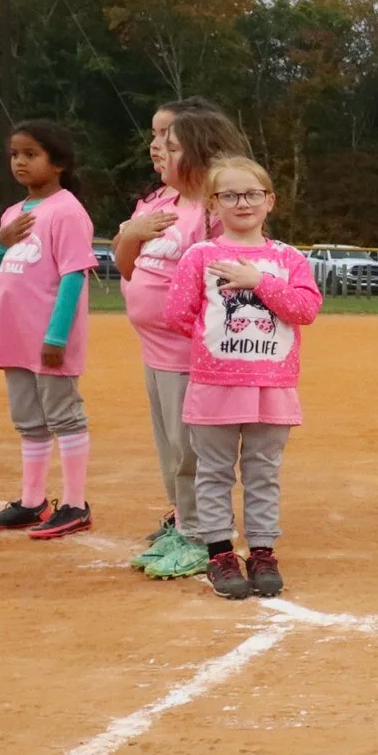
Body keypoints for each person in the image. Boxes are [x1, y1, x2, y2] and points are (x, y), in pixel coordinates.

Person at [163, 157, 323, 600]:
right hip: (214, 383)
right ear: (213, 205)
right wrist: (213, 344)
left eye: (252, 193)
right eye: (229, 195)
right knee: (213, 472)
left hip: (271, 385)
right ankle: (219, 553)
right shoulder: (201, 255)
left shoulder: (287, 258)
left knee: (262, 472)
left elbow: (305, 310)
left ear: (269, 201)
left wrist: (258, 282)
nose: (242, 202)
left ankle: (262, 551)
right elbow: (178, 313)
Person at [117, 98, 254, 579]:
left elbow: (224, 285)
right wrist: (131, 234)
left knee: (193, 448)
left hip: (189, 353)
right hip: (155, 349)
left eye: (171, 145)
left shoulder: (214, 212)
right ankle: (185, 520)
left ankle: (203, 534)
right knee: (171, 447)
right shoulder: (162, 203)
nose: (158, 150)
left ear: (201, 154)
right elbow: (127, 263)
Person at [0, 121, 97, 538]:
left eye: (31, 154)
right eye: (15, 154)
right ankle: (32, 502)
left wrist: (56, 336)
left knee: (63, 415)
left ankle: (76, 504)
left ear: (58, 162)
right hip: (15, 333)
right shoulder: (13, 214)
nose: (20, 162)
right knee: (28, 418)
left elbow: (74, 276)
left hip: (48, 336)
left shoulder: (67, 210)